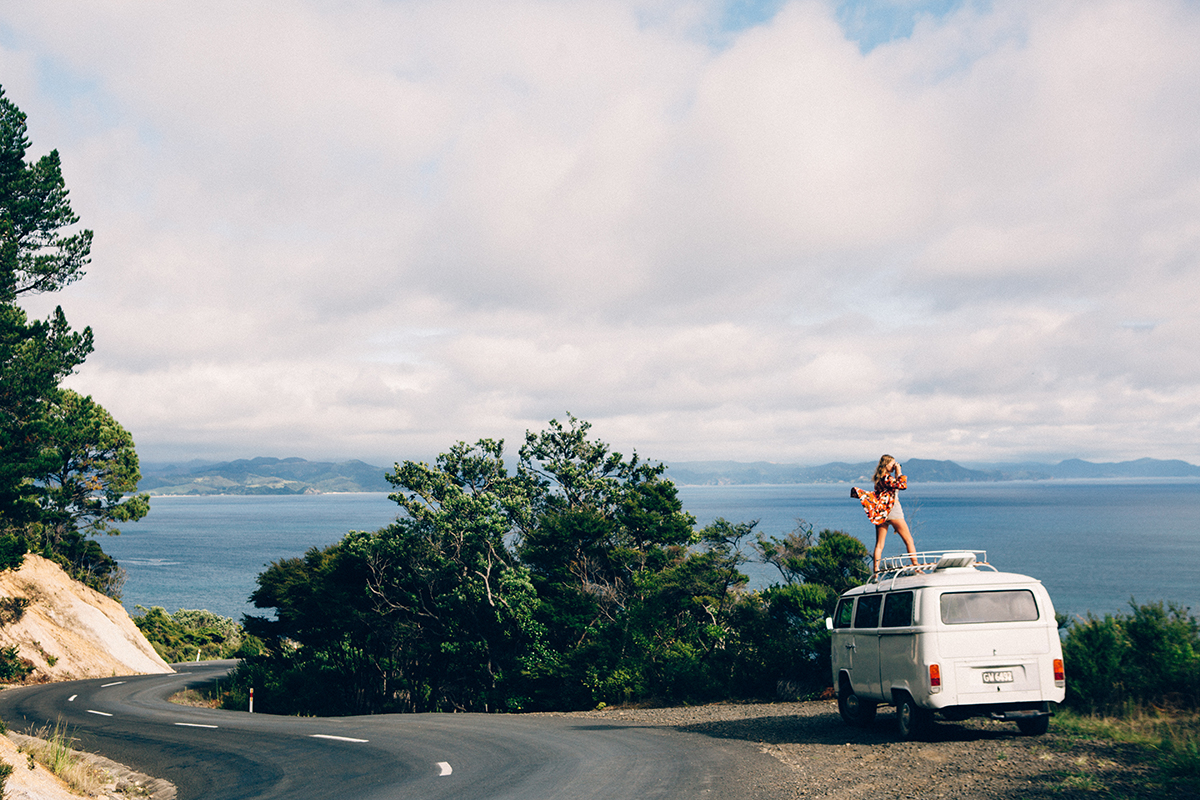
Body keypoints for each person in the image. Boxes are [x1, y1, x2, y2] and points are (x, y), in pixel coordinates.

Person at [850, 455, 917, 573]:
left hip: (882, 513)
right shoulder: (887, 478)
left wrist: (896, 473)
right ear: (886, 465)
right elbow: (902, 485)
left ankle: (876, 572)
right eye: (892, 464)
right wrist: (900, 471)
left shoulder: (879, 479)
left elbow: (895, 485)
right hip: (893, 511)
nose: (894, 465)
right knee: (909, 540)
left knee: (879, 545)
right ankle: (916, 566)